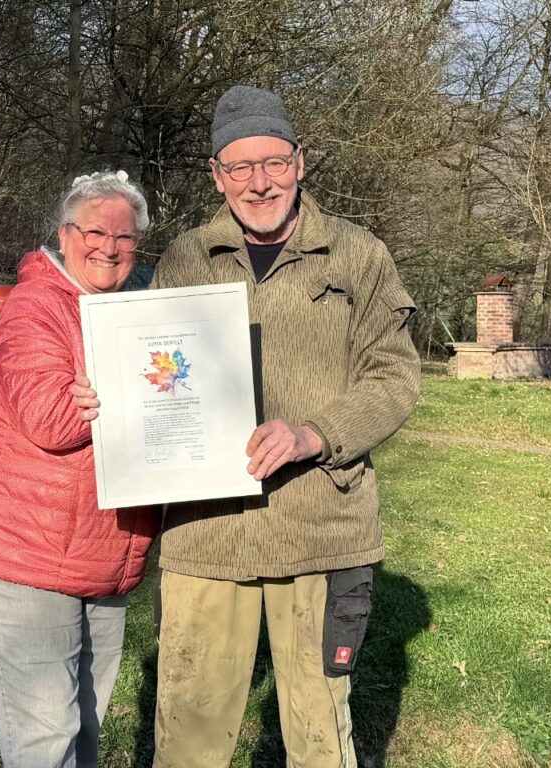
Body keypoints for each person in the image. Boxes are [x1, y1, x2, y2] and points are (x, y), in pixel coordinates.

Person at [74, 86, 421, 767]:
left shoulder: (358, 256)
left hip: (321, 528)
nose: (259, 183)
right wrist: (109, 392)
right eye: (239, 167)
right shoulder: (186, 258)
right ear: (216, 175)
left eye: (274, 162)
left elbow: (395, 377)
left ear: (300, 162)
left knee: (321, 738)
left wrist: (314, 432)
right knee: (190, 737)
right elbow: (155, 367)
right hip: (208, 534)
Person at [0, 170, 159, 768]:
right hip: (24, 550)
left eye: (125, 237)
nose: (108, 247)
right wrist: (131, 387)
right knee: (45, 737)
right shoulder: (34, 306)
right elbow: (52, 418)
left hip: (102, 550)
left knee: (84, 727)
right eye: (94, 231)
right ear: (65, 234)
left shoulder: (134, 315)